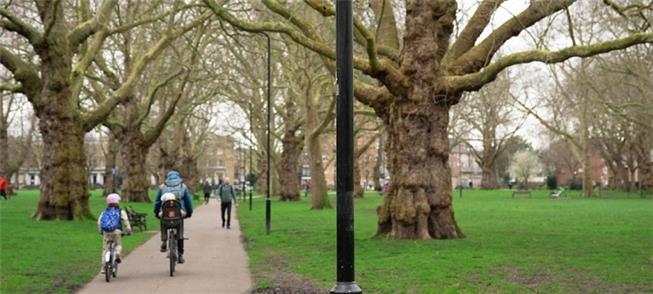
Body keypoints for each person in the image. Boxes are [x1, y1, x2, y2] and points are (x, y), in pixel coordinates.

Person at [154, 170, 193, 263]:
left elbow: (157, 202)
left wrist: (156, 212)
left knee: (163, 223)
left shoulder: (162, 187)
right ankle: (180, 255)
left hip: (165, 213)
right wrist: (189, 212)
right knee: (180, 232)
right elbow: (188, 202)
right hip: (179, 213)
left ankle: (164, 241)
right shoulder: (182, 186)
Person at [98, 193, 132, 273]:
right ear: (117, 202)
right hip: (117, 231)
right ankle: (117, 253)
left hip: (106, 232)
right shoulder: (120, 211)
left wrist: (100, 231)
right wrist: (128, 230)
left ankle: (103, 268)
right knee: (118, 245)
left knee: (105, 249)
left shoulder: (104, 212)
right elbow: (126, 222)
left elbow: (99, 222)